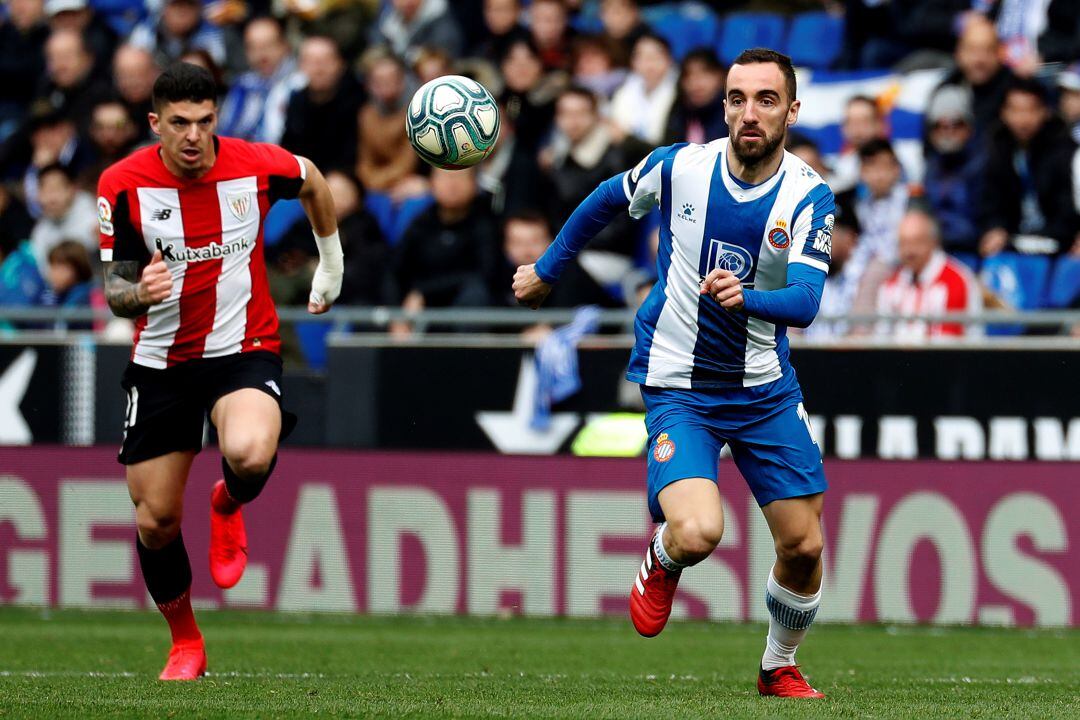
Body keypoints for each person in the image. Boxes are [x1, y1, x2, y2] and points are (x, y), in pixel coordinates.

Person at [514, 48, 833, 699]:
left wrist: (750, 296)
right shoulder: (681, 167)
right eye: (737, 98)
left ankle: (778, 664)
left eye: (766, 100)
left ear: (792, 110)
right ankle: (662, 559)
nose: (749, 113)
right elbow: (605, 198)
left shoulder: (809, 195)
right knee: (698, 531)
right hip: (678, 384)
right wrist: (548, 270)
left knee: (803, 547)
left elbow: (804, 301)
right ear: (723, 107)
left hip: (765, 390)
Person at [96, 62, 343, 680]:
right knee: (155, 521)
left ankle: (229, 501)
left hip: (243, 346)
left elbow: (313, 180)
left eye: (205, 122)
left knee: (252, 453)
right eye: (179, 123)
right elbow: (113, 287)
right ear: (156, 123)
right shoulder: (121, 186)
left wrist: (330, 264)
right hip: (161, 364)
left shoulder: (255, 163)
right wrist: (138, 292)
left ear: (217, 120)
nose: (193, 136)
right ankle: (186, 642)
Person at [978, 78, 1079, 257]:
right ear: (1003, 113)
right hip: (1013, 241)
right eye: (1015, 110)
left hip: (1059, 243)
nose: (1023, 119)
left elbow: (1067, 208)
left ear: (1045, 112)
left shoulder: (1065, 150)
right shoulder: (996, 148)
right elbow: (991, 202)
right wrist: (996, 228)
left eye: (1031, 110)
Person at [875, 208, 982, 340]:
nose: (909, 251)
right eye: (903, 243)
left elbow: (950, 343)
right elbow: (881, 337)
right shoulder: (890, 284)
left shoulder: (957, 281)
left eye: (916, 242)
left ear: (933, 242)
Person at [218, 16, 303, 144]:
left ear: (285, 45)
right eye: (253, 47)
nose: (261, 54)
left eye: (268, 45)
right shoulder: (242, 85)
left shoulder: (300, 85)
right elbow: (224, 131)